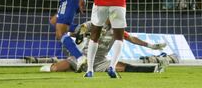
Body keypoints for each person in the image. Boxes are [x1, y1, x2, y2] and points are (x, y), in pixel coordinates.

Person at [40, 20, 168, 73]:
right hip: (83, 59)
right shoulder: (95, 24)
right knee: (57, 69)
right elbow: (82, 28)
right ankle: (50, 65)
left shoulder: (118, 30)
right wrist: (83, 33)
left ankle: (155, 68)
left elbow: (132, 39)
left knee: (126, 68)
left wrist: (151, 45)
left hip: (101, 62)